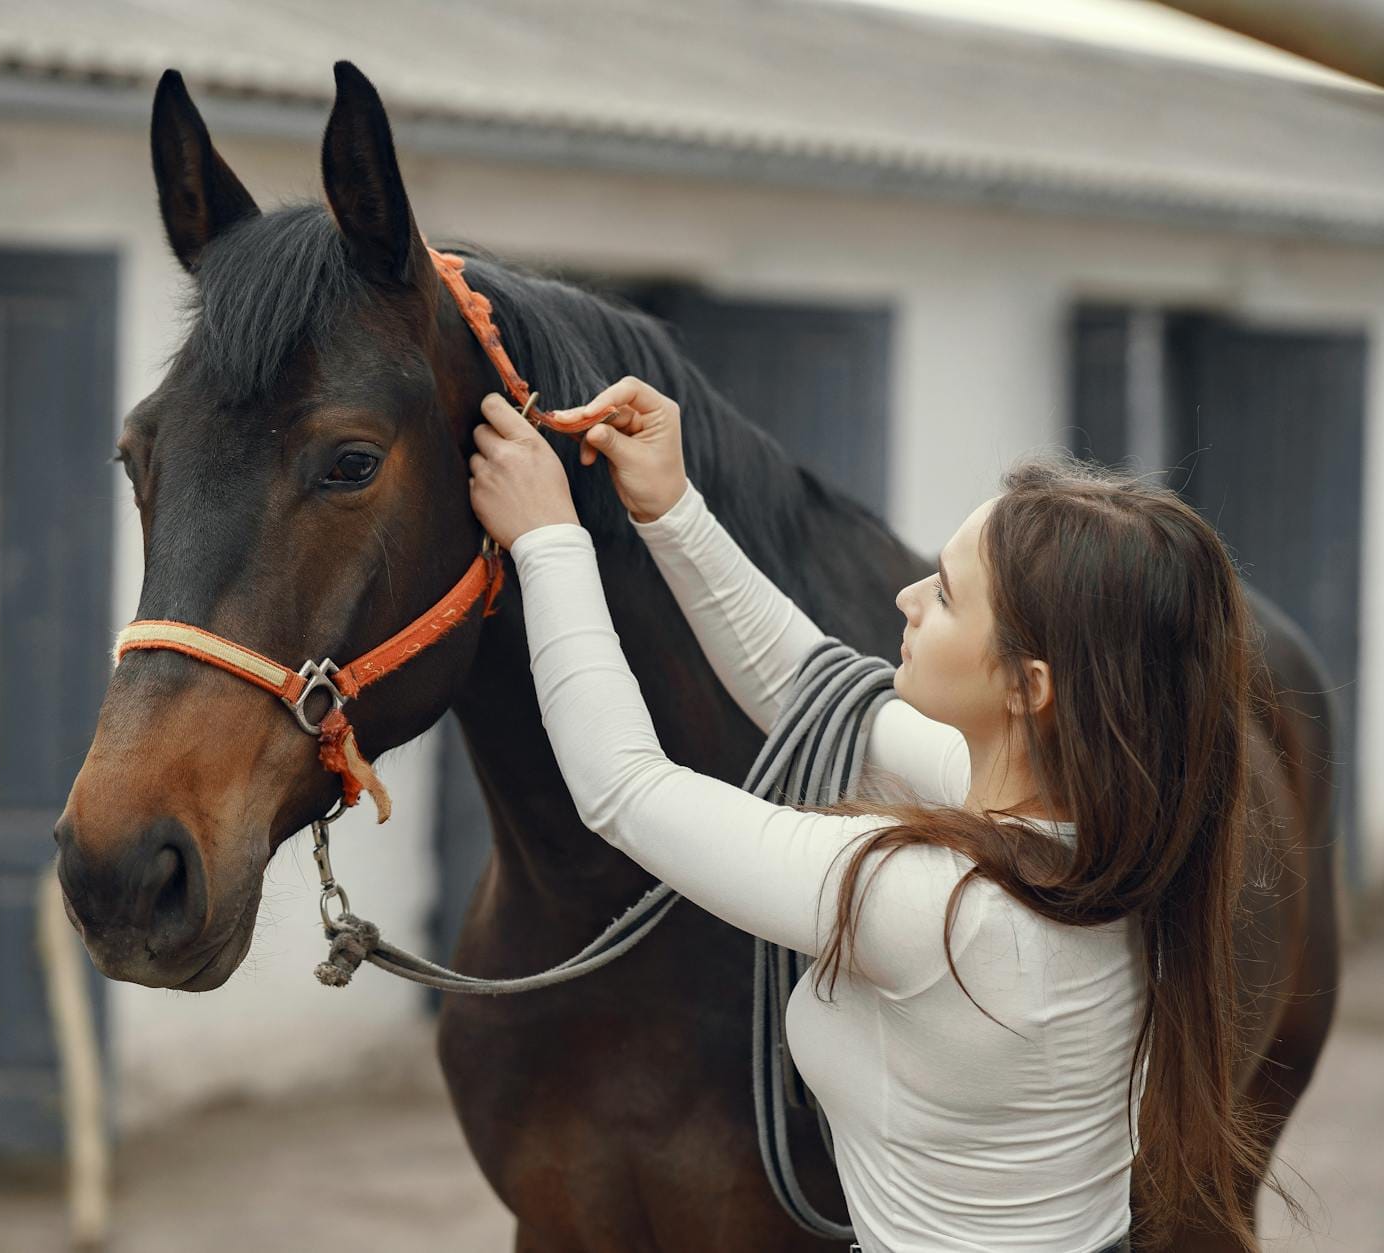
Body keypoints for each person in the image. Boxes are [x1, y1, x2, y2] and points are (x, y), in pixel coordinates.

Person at [466, 377, 1276, 1253]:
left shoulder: (937, 907)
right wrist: (671, 507)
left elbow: (624, 788)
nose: (908, 599)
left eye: (950, 594)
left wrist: (549, 542)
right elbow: (812, 691)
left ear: (1027, 687)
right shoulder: (1114, 841)